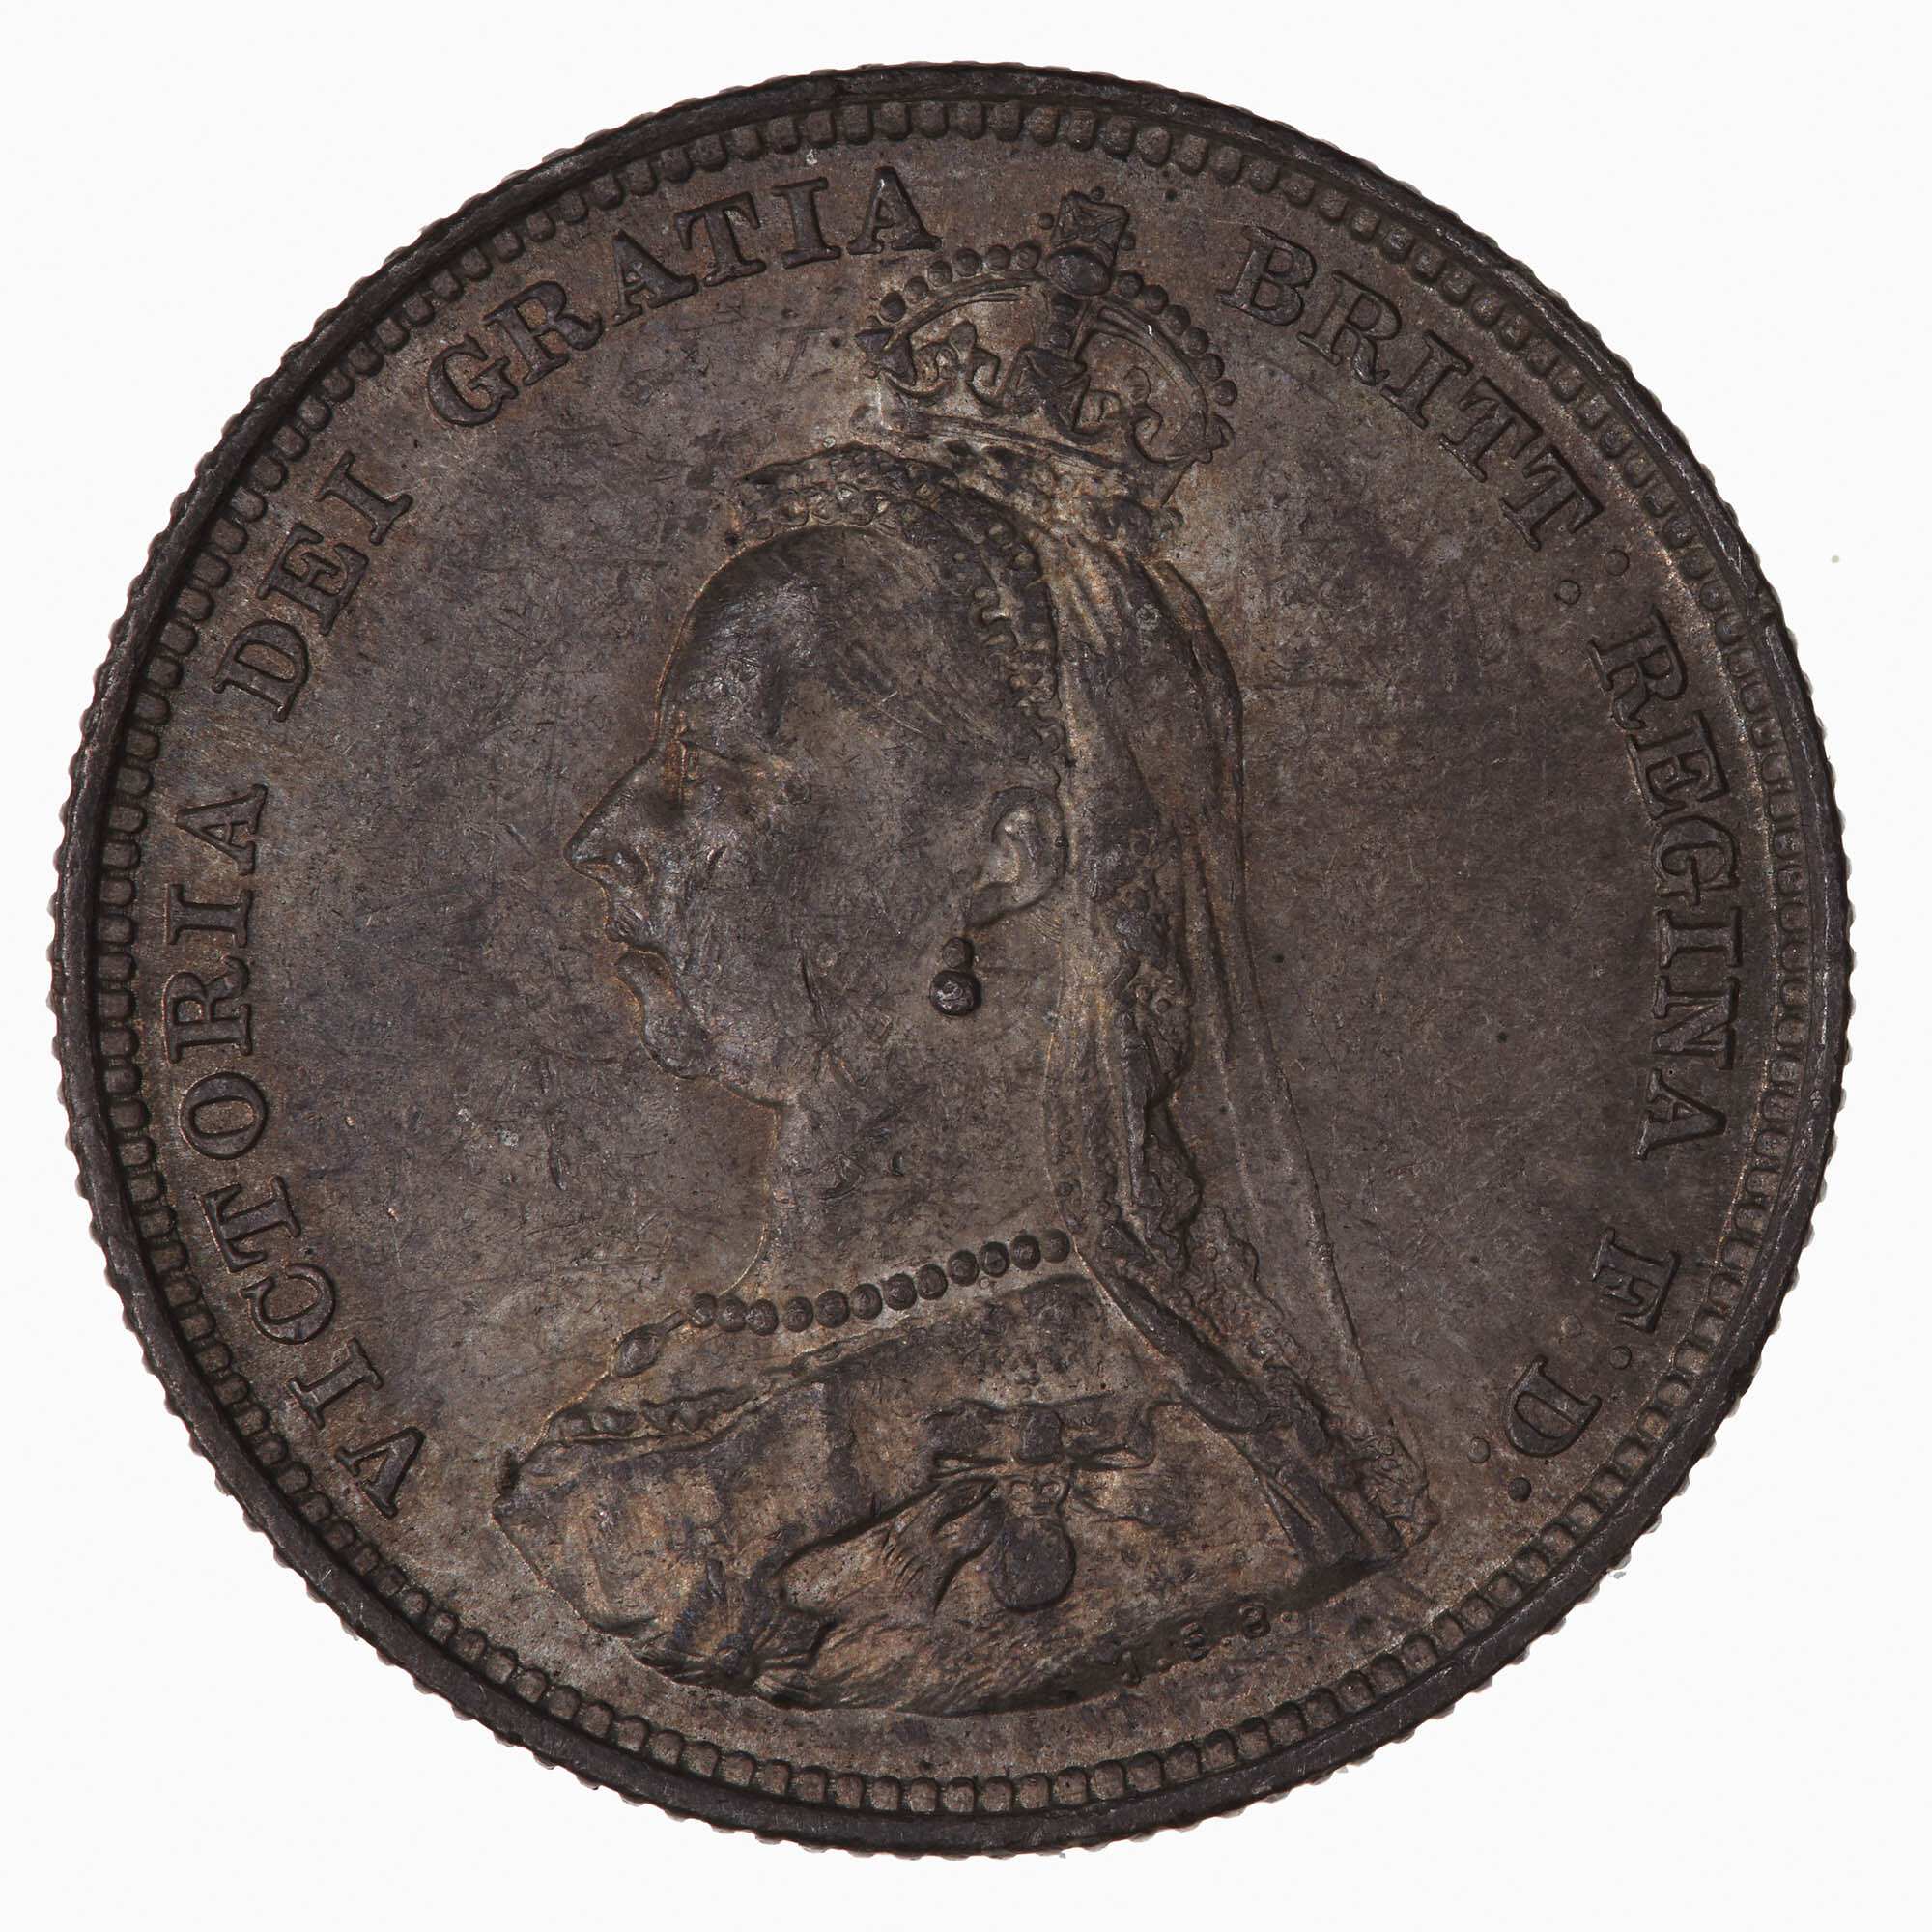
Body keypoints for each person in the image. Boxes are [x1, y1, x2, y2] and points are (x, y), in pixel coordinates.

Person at [496, 194, 1432, 1714]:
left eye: (717, 768)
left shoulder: (1139, 1485)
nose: (612, 831)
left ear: (1006, 852)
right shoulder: (688, 1378)